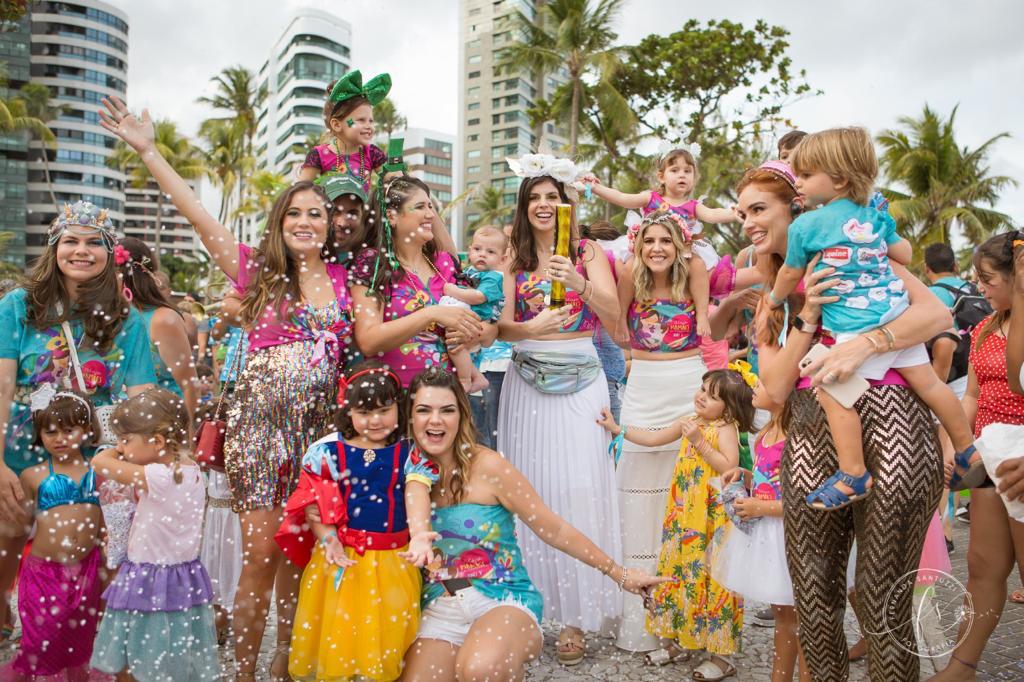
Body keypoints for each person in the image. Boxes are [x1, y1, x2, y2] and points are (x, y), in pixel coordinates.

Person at [100, 95, 358, 679]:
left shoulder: (351, 280)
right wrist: (148, 150)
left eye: (315, 214)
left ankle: (288, 666)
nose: (304, 222)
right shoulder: (257, 273)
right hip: (259, 433)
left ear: (331, 225)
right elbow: (196, 214)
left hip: (320, 439)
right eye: (293, 214)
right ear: (279, 224)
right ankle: (244, 671)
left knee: (305, 555)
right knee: (262, 557)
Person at [727, 160, 950, 680]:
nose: (747, 224)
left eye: (759, 210)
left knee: (882, 596)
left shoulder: (865, 256)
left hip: (895, 421)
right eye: (741, 214)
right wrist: (809, 317)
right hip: (809, 427)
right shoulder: (770, 298)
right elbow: (774, 390)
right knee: (814, 594)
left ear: (797, 210)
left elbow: (937, 316)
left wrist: (869, 343)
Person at [400, 368, 668, 680]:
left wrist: (619, 573)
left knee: (479, 668)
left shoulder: (489, 467)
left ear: (462, 415)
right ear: (410, 418)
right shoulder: (402, 472)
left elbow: (553, 528)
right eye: (424, 410)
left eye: (447, 410)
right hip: (440, 606)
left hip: (501, 600)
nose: (435, 420)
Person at [768, 127, 977, 508]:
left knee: (830, 389)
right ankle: (967, 450)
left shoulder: (805, 226)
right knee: (931, 386)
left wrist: (775, 298)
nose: (798, 182)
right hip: (896, 312)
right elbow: (901, 252)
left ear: (839, 179)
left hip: (854, 325)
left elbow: (789, 273)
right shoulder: (874, 215)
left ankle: (854, 473)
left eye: (805, 174)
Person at [0, 200, 155, 642]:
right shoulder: (18, 307)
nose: (81, 251)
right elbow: (2, 387)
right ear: (54, 249)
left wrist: (151, 457)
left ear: (110, 254)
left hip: (92, 453)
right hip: (19, 447)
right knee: (9, 536)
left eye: (94, 243)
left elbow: (140, 397)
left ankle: (73, 630)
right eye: (71, 241)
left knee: (83, 541)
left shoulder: (126, 319)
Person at [496, 166, 620, 664]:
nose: (544, 204)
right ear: (525, 205)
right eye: (535, 197)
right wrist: (533, 327)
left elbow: (615, 312)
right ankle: (532, 609)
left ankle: (577, 615)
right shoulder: (514, 257)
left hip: (582, 376)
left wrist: (580, 284)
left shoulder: (586, 251)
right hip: (527, 379)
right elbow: (499, 329)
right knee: (532, 488)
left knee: (579, 485)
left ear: (566, 202)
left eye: (553, 196)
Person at [275, 361, 436, 681]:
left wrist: (419, 532)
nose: (375, 420)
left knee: (384, 633)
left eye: (383, 410)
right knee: (340, 632)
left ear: (398, 408)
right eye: (364, 412)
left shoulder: (409, 452)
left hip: (393, 559)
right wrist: (328, 539)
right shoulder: (328, 452)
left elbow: (417, 493)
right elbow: (317, 510)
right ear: (347, 412)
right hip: (340, 561)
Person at [600, 368, 754, 678]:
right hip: (684, 512)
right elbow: (654, 438)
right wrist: (618, 428)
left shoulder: (725, 428)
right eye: (702, 389)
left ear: (729, 406)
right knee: (679, 571)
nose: (701, 397)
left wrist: (699, 442)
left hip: (711, 516)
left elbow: (729, 467)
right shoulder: (690, 420)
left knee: (714, 579)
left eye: (712, 397)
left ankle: (722, 655)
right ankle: (681, 638)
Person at [605, 209, 710, 653]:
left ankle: (690, 618)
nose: (657, 249)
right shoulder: (630, 272)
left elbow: (707, 326)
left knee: (685, 493)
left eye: (665, 240)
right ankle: (643, 615)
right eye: (649, 241)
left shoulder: (697, 271)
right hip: (644, 385)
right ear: (638, 246)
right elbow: (616, 324)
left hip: (688, 381)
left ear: (680, 245)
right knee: (638, 492)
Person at [929, 232, 1024, 679]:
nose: (979, 288)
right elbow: (971, 395)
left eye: (988, 279)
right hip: (989, 460)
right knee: (983, 568)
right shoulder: (987, 325)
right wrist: (955, 444)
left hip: (1019, 465)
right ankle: (962, 665)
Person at [89, 388, 219, 681]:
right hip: (179, 576)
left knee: (134, 653)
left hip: (148, 576)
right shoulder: (191, 470)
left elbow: (99, 464)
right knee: (171, 650)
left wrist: (110, 448)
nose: (121, 448)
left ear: (158, 441)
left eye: (126, 439)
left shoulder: (160, 476)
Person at [712, 380, 811, 682]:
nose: (756, 385)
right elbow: (770, 478)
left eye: (766, 383)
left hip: (797, 536)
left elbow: (810, 499)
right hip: (770, 537)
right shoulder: (766, 433)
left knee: (809, 619)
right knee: (783, 614)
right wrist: (747, 477)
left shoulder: (800, 437)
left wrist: (763, 508)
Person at [349, 176, 486, 387]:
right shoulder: (374, 263)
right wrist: (430, 313)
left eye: (431, 207)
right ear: (392, 217)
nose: (431, 214)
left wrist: (469, 335)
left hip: (448, 397)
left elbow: (477, 329)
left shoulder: (444, 263)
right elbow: (368, 341)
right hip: (396, 397)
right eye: (420, 206)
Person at [5, 391, 105, 679]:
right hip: (44, 571)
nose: (59, 438)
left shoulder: (98, 470)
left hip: (87, 569)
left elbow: (108, 520)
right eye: (50, 432)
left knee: (79, 640)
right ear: (40, 435)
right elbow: (21, 525)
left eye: (68, 430)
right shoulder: (33, 475)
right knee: (40, 638)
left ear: (86, 430)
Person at [117, 236, 199, 415]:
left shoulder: (162, 319)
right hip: (115, 427)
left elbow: (190, 387)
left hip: (160, 425)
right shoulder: (105, 316)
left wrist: (188, 438)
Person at [437, 226, 506, 392]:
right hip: (469, 315)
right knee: (455, 345)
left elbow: (478, 297)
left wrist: (451, 290)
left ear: (502, 259)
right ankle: (477, 376)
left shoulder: (494, 277)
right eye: (477, 249)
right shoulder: (469, 271)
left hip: (478, 319)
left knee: (455, 346)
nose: (482, 254)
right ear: (469, 251)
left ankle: (466, 379)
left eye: (490, 252)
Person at [298, 69, 390, 193]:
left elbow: (396, 182)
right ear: (336, 125)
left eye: (371, 121)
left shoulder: (372, 153)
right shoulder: (318, 156)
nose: (369, 126)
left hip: (360, 212)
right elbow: (300, 192)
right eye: (361, 120)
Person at [319, 173, 369, 266]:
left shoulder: (374, 263)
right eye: (334, 211)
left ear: (363, 216)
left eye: (352, 213)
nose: (343, 223)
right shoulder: (301, 258)